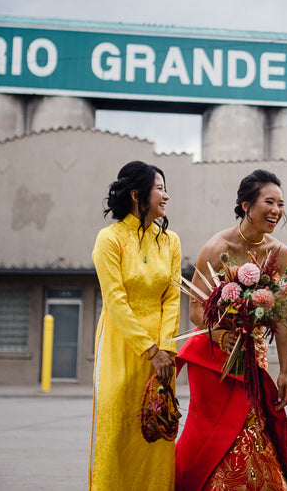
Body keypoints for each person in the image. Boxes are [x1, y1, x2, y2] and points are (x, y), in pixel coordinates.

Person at [175, 169, 287, 490]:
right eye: (269, 202)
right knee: (213, 430)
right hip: (217, 355)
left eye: (280, 204)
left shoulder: (281, 254)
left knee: (253, 427)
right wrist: (219, 334)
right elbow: (196, 309)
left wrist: (283, 371)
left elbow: (283, 316)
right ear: (245, 205)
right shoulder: (216, 248)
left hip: (255, 354)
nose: (276, 211)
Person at [88, 161, 181, 491]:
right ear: (136, 194)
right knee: (117, 433)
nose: (167, 196)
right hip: (120, 345)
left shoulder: (170, 241)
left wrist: (167, 348)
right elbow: (115, 301)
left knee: (156, 430)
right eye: (160, 188)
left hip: (162, 353)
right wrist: (149, 349)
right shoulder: (109, 239)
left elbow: (172, 299)